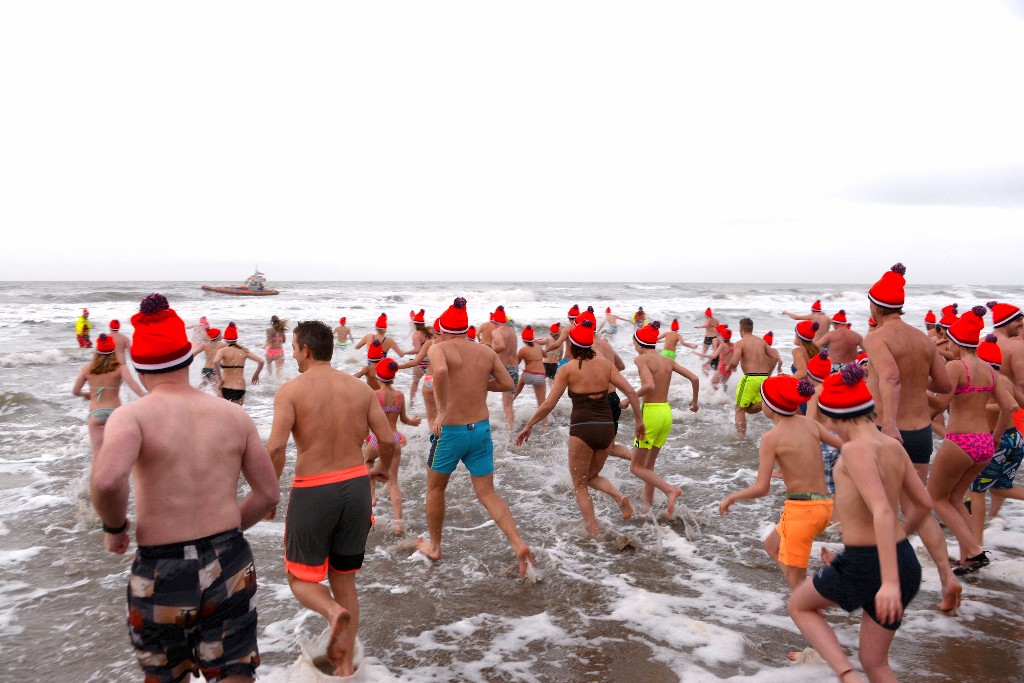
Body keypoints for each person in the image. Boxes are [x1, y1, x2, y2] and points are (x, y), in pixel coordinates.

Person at [90, 293, 280, 683]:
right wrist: (227, 533)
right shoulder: (233, 416)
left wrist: (115, 529)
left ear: (140, 369)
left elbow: (108, 480)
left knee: (165, 673)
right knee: (234, 672)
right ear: (188, 359)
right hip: (228, 557)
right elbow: (268, 495)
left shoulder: (132, 418)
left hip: (162, 567)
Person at [787, 362, 931, 683]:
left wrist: (888, 579)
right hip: (899, 559)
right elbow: (923, 504)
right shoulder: (892, 445)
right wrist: (895, 546)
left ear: (837, 417)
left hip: (873, 565)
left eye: (826, 416)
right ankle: (855, 671)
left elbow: (881, 511)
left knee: (799, 605)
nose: (827, 424)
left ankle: (845, 674)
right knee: (875, 662)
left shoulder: (854, 450)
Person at [266, 319, 393, 677]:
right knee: (344, 579)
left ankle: (332, 613)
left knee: (299, 578)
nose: (292, 355)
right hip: (355, 487)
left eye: (293, 348)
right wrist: (382, 467)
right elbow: (387, 439)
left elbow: (276, 447)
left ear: (305, 350)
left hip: (313, 488)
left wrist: (270, 491)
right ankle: (344, 668)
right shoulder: (361, 390)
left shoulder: (291, 391)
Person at [863, 263, 961, 611]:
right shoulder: (922, 338)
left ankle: (880, 581)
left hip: (886, 432)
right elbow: (945, 385)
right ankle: (948, 577)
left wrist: (888, 424)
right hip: (920, 432)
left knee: (877, 507)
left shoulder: (876, 337)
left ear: (874, 306)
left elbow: (889, 378)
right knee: (918, 506)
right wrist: (919, 384)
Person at [416, 297, 535, 576]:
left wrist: (442, 410)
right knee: (487, 492)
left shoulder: (439, 348)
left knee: (435, 489)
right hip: (480, 429)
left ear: (443, 330)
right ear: (466, 328)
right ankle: (518, 544)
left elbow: (442, 371)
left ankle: (434, 546)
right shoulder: (484, 351)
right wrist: (480, 383)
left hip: (451, 432)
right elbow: (508, 383)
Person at [517, 319, 643, 538]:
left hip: (582, 429)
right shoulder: (605, 364)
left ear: (573, 346)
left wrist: (529, 425)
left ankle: (595, 533)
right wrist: (639, 422)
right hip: (606, 428)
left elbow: (548, 404)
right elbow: (631, 392)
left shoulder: (568, 369)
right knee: (592, 475)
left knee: (581, 485)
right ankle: (619, 498)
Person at [719, 376, 841, 590]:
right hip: (824, 507)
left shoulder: (771, 437)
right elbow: (845, 446)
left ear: (770, 406)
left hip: (801, 511)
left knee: (799, 595)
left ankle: (823, 589)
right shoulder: (810, 424)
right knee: (771, 546)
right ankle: (818, 585)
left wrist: (732, 497)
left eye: (763, 399)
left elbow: (761, 487)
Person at [927, 307, 1013, 574]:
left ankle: (974, 552)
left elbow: (941, 403)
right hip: (985, 443)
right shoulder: (988, 369)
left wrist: (919, 393)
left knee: (936, 498)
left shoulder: (956, 366)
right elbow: (1009, 407)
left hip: (961, 441)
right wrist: (996, 437)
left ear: (955, 341)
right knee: (954, 498)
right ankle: (967, 555)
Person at [627, 322, 699, 516]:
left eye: (634, 342)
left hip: (651, 413)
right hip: (666, 413)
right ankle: (647, 507)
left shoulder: (641, 360)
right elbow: (694, 378)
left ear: (639, 343)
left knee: (635, 467)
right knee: (648, 466)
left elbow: (649, 385)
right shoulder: (667, 361)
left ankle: (669, 490)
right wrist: (694, 402)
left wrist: (628, 397)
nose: (634, 346)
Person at [968, 335, 1024, 545]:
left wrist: (981, 407)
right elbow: (1020, 403)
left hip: (998, 441)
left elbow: (1009, 406)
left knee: (977, 490)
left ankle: (976, 543)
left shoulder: (987, 380)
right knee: (1001, 488)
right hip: (1016, 439)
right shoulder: (1006, 380)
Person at [364, 358, 421, 534]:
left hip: (377, 439)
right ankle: (399, 523)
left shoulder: (374, 395)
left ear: (378, 376)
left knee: (367, 461)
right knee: (393, 481)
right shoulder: (399, 396)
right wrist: (413, 422)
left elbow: (366, 419)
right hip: (395, 439)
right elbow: (404, 419)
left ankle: (372, 497)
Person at [72, 333, 145, 454]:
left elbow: (75, 391)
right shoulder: (120, 368)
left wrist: (85, 394)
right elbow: (132, 384)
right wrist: (144, 397)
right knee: (117, 453)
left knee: (97, 454)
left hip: (95, 414)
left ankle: (94, 473)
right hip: (115, 414)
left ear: (97, 351)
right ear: (113, 351)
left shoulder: (87, 368)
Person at [726, 318, 782, 437]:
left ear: (741, 328)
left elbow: (734, 362)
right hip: (763, 379)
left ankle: (741, 438)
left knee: (739, 409)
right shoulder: (761, 342)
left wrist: (729, 367)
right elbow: (775, 356)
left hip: (750, 378)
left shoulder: (740, 343)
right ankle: (769, 403)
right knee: (750, 409)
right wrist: (779, 367)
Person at [213, 323, 265, 405]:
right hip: (239, 388)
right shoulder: (243, 350)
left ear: (226, 339)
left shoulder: (222, 350)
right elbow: (261, 361)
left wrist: (219, 379)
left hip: (225, 386)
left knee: (221, 415)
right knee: (236, 416)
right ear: (236, 338)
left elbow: (215, 361)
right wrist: (256, 374)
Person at [489, 306, 519, 432]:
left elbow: (501, 345)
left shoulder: (497, 331)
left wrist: (488, 352)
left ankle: (474, 421)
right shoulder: (512, 332)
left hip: (502, 369)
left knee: (477, 388)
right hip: (514, 369)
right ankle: (510, 432)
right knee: (508, 404)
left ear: (495, 321)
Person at [511, 326, 548, 426]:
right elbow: (545, 356)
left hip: (528, 375)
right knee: (542, 402)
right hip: (541, 376)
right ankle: (545, 425)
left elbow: (516, 364)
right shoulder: (538, 347)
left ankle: (512, 399)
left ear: (523, 339)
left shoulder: (523, 350)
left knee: (521, 380)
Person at [407, 309, 434, 406]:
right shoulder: (431, 331)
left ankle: (411, 405)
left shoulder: (416, 334)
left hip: (419, 362)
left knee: (415, 383)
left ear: (415, 324)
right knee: (429, 385)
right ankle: (429, 404)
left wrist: (405, 352)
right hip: (430, 363)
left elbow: (417, 350)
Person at [192, 326, 225, 391]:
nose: (222, 336)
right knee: (218, 390)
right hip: (213, 371)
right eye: (221, 334)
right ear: (218, 337)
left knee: (202, 385)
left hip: (205, 370)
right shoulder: (222, 345)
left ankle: (192, 393)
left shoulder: (205, 345)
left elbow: (193, 354)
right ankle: (219, 400)